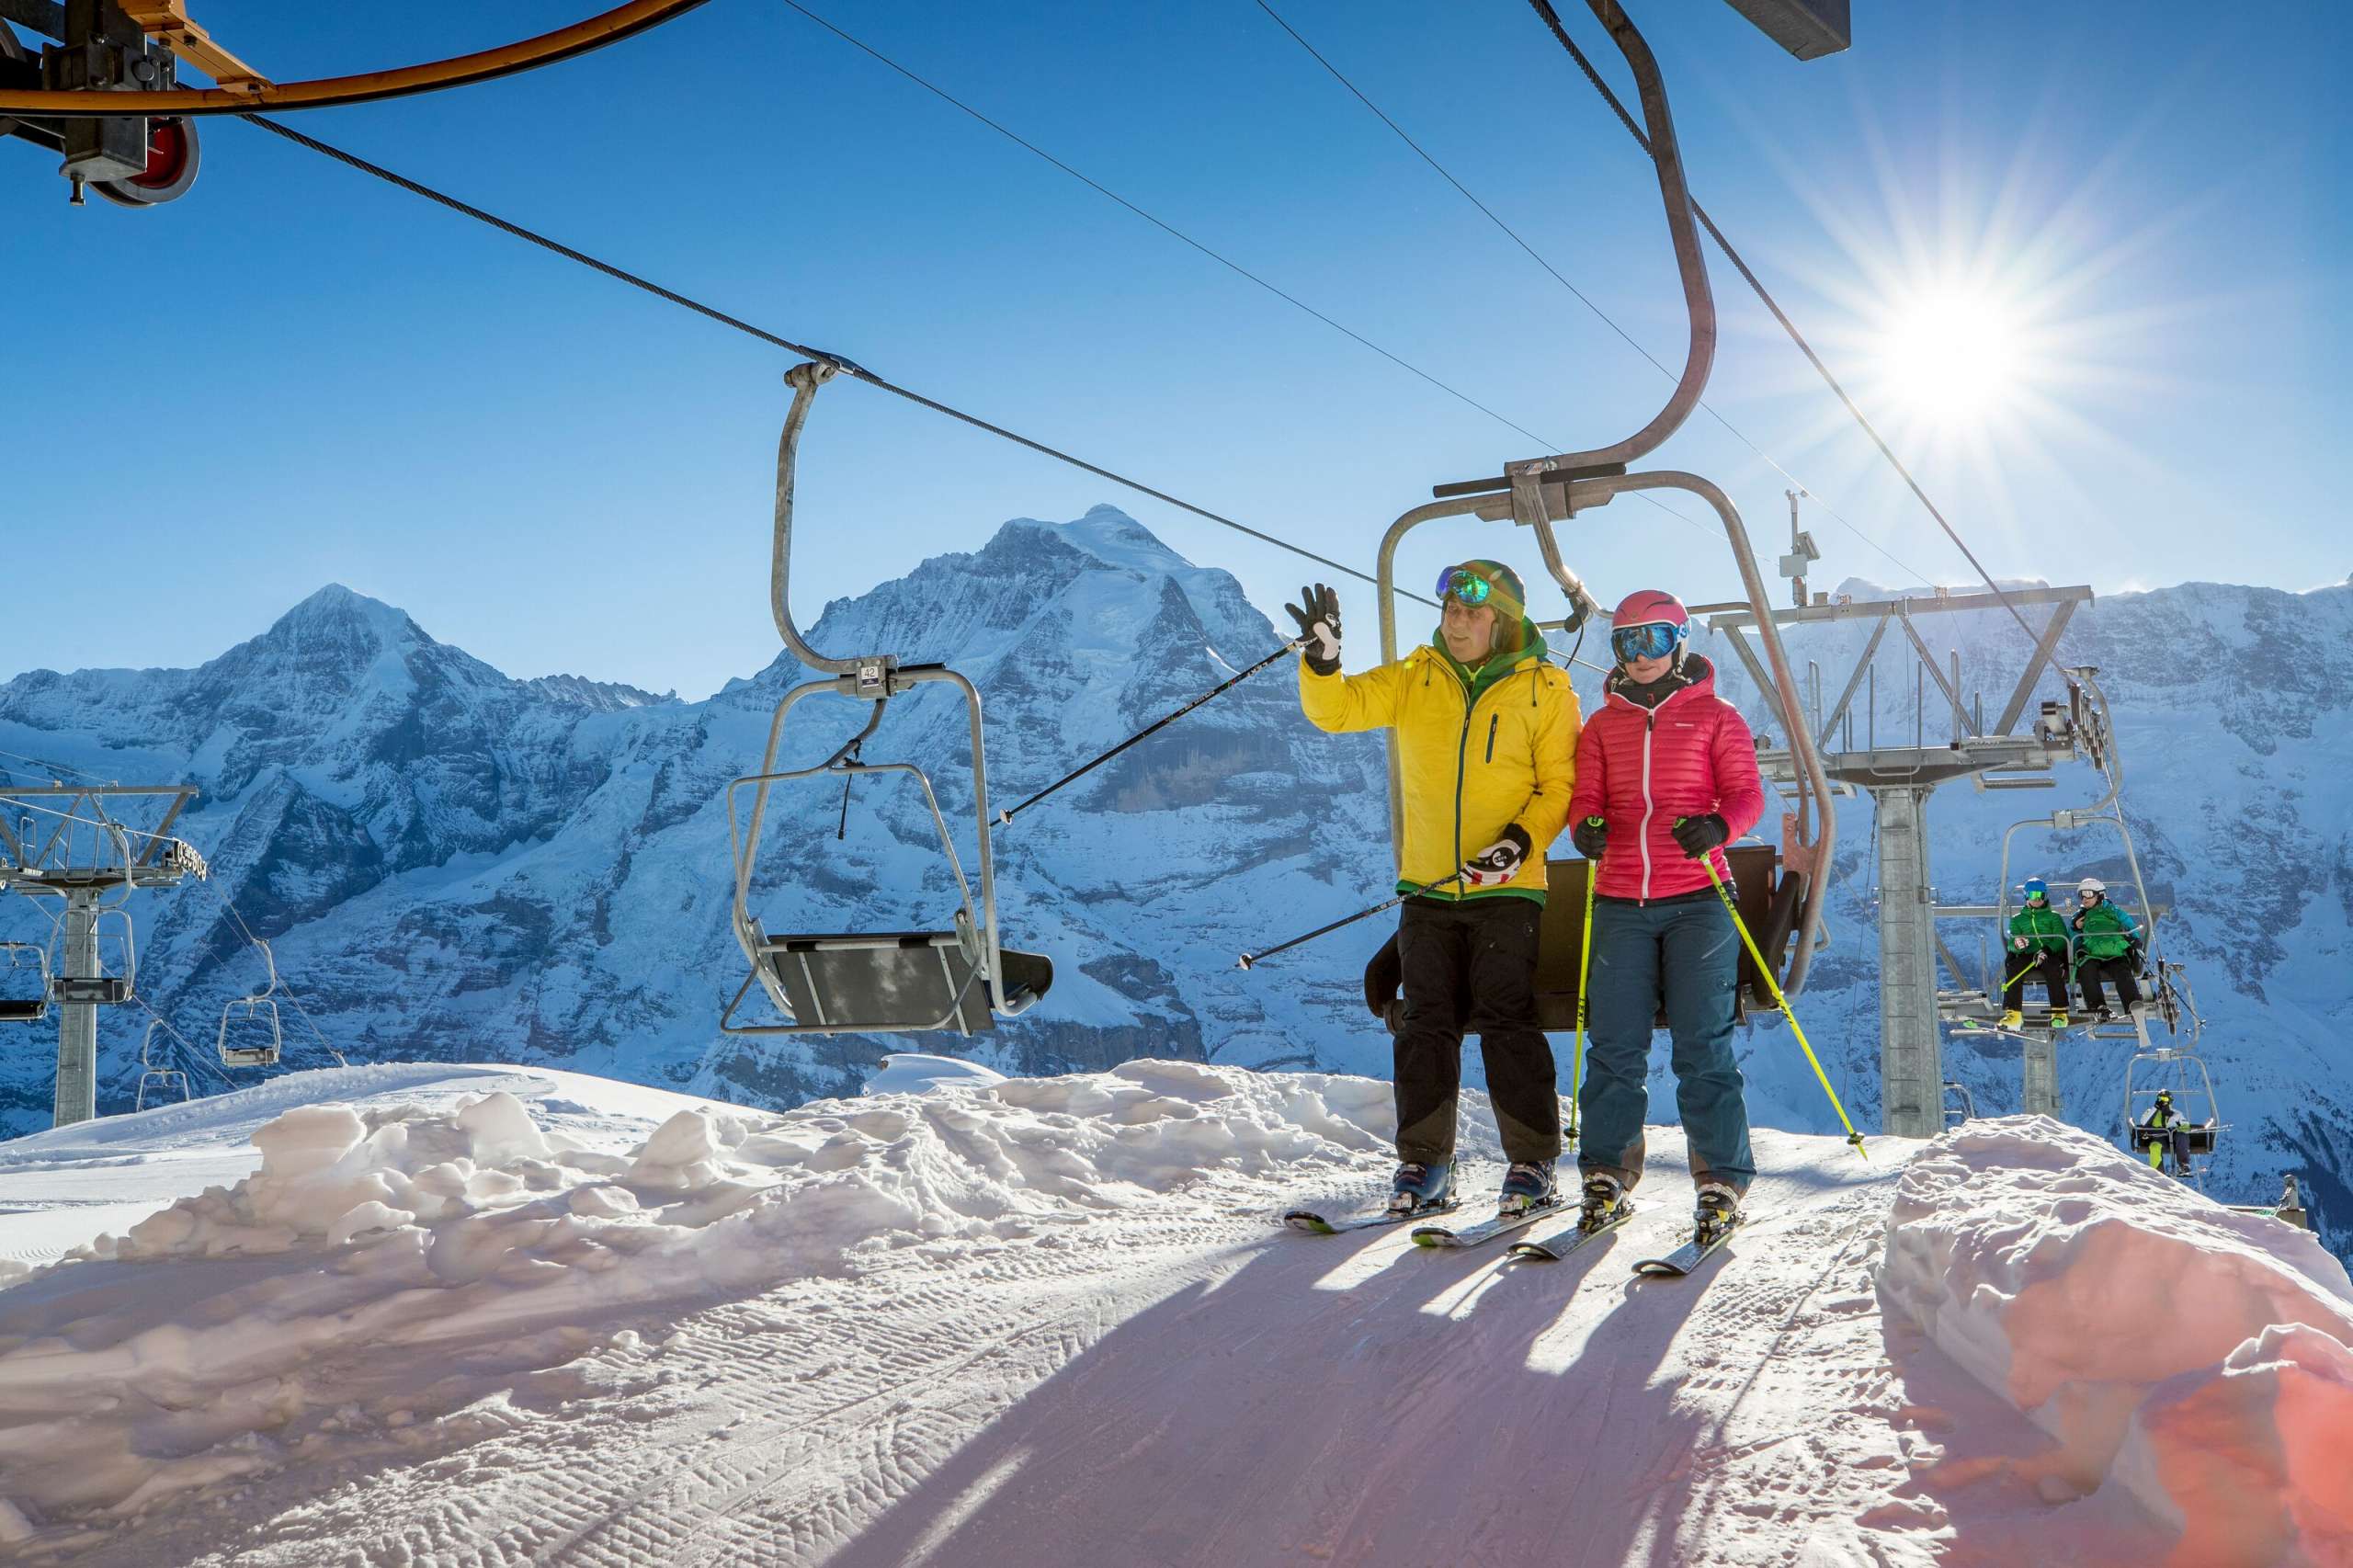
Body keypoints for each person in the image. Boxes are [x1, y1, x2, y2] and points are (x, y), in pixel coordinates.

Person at [1288, 562, 1581, 1216]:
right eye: (1451, 610)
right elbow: (1338, 713)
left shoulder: (1546, 689)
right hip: (1427, 887)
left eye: (1473, 613)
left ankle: (1532, 1164)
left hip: (1509, 888)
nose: (1457, 622)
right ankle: (1424, 1165)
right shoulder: (1417, 678)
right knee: (1424, 1024)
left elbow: (1559, 786)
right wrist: (1325, 664)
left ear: (1502, 619)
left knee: (1506, 1016)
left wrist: (1521, 840)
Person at [1565, 589, 1764, 1241]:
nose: (1640, 654)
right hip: (1621, 897)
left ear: (1679, 641)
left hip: (1697, 898)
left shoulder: (1715, 715)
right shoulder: (1601, 726)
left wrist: (1718, 825)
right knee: (1615, 1044)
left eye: (1653, 640)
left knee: (1701, 1044)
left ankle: (1721, 1181)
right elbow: (1586, 798)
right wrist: (1585, 828)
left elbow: (1746, 795)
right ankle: (1606, 1174)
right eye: (1626, 642)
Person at [2000, 877, 2070, 1028]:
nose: (2037, 899)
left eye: (2041, 896)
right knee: (2014, 968)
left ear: (2046, 897)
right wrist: (2018, 945)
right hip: (2027, 954)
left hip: (2049, 954)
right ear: (2026, 896)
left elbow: (2062, 939)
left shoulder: (2054, 917)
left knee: (2053, 968)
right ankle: (2013, 1014)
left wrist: (2046, 949)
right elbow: (2012, 942)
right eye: (2033, 895)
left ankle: (2059, 1012)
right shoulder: (2017, 920)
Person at [2071, 877, 2144, 1021]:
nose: (2084, 898)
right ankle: (2098, 1007)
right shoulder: (2079, 917)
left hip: (2115, 953)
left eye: (2088, 894)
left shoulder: (2114, 912)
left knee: (2123, 972)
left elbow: (2130, 926)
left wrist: (2135, 940)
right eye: (2081, 895)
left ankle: (2133, 1005)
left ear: (2100, 895)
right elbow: (2072, 940)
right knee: (2087, 970)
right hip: (2092, 955)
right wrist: (2075, 928)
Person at [2140, 1088, 2196, 1177]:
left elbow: (2186, 1126)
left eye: (2165, 1099)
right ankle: (2157, 1173)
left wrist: (2177, 1126)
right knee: (2154, 1146)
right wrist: (2155, 1108)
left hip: (2174, 1140)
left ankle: (2184, 1165)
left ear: (2170, 1101)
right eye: (2160, 1099)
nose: (2162, 1101)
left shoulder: (2176, 1114)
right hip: (2160, 1138)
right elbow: (2143, 1122)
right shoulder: (2150, 1112)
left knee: (2182, 1135)